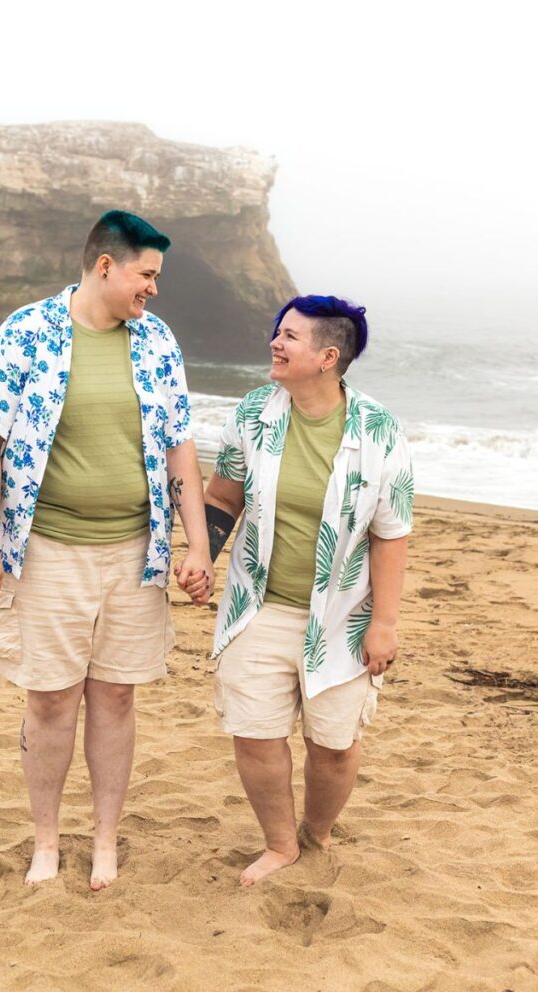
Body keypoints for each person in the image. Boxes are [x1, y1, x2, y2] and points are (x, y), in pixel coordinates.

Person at [0, 210, 214, 890]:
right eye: (146, 274)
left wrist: (197, 545)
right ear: (105, 266)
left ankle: (103, 840)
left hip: (136, 555)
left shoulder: (156, 341)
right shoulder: (27, 331)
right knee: (48, 701)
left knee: (117, 699)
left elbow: (179, 446)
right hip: (46, 551)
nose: (153, 290)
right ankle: (47, 841)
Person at [184, 295, 413, 886]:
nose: (275, 344)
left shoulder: (381, 430)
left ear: (327, 357)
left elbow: (391, 534)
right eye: (277, 333)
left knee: (333, 746)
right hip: (257, 606)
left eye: (289, 337)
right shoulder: (256, 411)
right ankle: (281, 844)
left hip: (342, 616)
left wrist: (384, 624)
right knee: (256, 735)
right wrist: (201, 557)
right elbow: (222, 498)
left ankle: (319, 831)